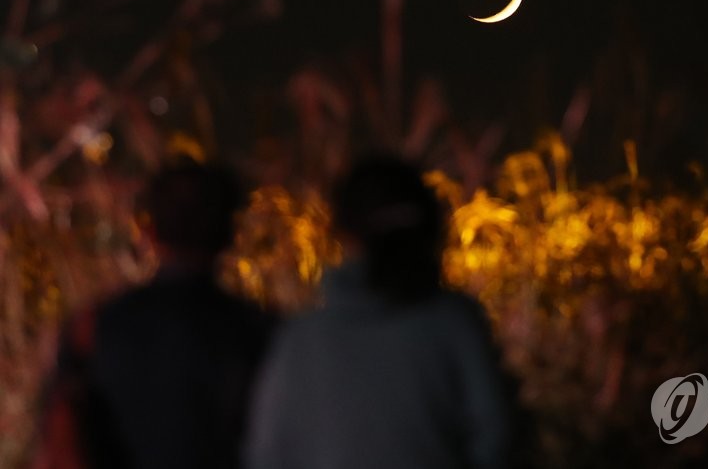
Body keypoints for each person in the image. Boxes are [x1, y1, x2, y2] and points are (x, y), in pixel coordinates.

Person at [245, 155, 519, 469]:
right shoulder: (456, 324)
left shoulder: (300, 341)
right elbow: (494, 436)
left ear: (342, 234)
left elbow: (268, 452)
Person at [34, 159, 276, 469]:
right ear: (230, 234)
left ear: (149, 232)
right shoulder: (261, 333)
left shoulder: (93, 328)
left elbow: (60, 435)